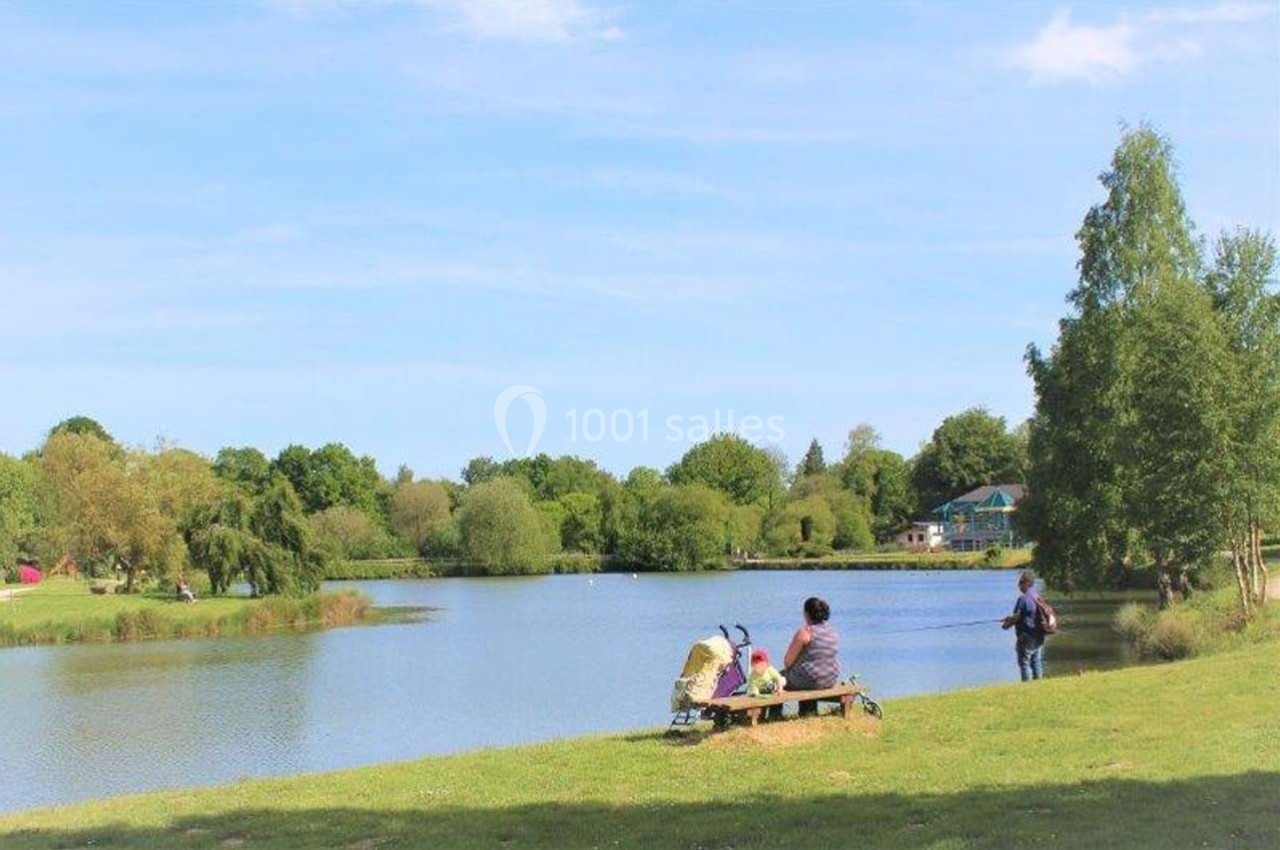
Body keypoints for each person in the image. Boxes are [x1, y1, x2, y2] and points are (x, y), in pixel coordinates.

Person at [782, 596, 841, 716]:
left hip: (809, 679)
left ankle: (774, 714)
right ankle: (808, 712)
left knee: (776, 679)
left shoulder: (805, 633)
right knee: (807, 673)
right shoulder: (833, 631)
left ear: (806, 614)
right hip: (830, 679)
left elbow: (787, 662)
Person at [1002, 571, 1044, 681]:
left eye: (1021, 582)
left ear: (1027, 583)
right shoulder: (1037, 597)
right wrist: (1009, 618)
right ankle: (1038, 685)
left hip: (1026, 636)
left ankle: (1026, 685)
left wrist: (1006, 625)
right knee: (1036, 662)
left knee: (1024, 663)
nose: (1018, 585)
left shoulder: (1023, 599)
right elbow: (1025, 615)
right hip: (1039, 635)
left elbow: (1016, 617)